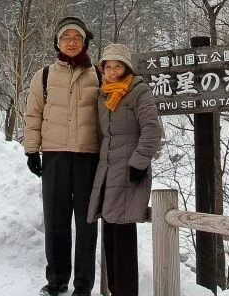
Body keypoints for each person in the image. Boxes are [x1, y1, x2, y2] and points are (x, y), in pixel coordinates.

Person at [24, 16, 102, 296]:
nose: (71, 42)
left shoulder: (100, 75)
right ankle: (56, 280)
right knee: (56, 220)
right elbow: (33, 114)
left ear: (85, 42)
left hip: (88, 157)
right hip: (55, 156)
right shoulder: (43, 75)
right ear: (57, 42)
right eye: (66, 37)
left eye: (77, 38)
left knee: (87, 222)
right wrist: (32, 150)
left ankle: (83, 284)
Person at [87, 43, 164, 296]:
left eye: (117, 65)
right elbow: (103, 137)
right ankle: (114, 289)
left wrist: (139, 163)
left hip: (130, 172)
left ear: (126, 67)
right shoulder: (104, 95)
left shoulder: (138, 92)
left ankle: (126, 291)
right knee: (109, 233)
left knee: (124, 237)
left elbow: (152, 130)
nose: (111, 70)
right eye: (107, 66)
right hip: (108, 173)